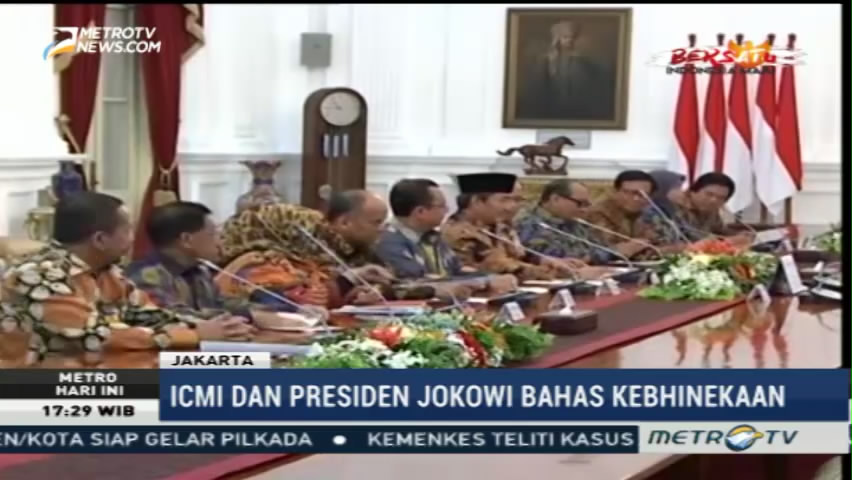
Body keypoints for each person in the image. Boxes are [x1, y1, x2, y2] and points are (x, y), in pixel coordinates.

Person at [0, 192, 253, 364]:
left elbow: (147, 314)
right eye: (128, 229)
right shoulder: (38, 275)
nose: (134, 238)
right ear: (100, 239)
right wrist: (195, 335)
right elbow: (98, 336)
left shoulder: (108, 271)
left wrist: (220, 328)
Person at [126, 202, 324, 329]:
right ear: (187, 240)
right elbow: (171, 317)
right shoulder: (145, 276)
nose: (220, 241)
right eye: (213, 234)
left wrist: (292, 310)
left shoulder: (200, 269)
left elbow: (223, 304)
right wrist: (253, 317)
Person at [217, 191, 395, 308]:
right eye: (377, 222)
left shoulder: (355, 248)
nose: (383, 229)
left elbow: (390, 280)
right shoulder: (256, 263)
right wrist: (348, 281)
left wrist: (372, 291)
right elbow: (299, 301)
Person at [373, 179, 516, 295]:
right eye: (441, 206)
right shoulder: (388, 241)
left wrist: (491, 278)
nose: (447, 210)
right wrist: (484, 282)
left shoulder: (432, 237)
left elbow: (457, 270)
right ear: (420, 212)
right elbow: (417, 282)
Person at [441, 173, 572, 281]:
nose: (511, 207)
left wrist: (544, 261)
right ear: (476, 201)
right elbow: (486, 269)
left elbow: (520, 256)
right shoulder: (457, 232)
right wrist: (537, 271)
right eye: (504, 200)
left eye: (517, 200)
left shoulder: (501, 226)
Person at [519, 20, 615, 121]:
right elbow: (537, 86)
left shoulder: (581, 60)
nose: (570, 40)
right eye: (565, 37)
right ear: (557, 39)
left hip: (576, 106)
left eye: (572, 38)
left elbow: (589, 84)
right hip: (551, 105)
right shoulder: (546, 60)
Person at [515, 179, 613, 264]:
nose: (584, 209)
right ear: (555, 199)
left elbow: (606, 250)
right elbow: (551, 256)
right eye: (580, 203)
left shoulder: (574, 221)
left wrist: (589, 258)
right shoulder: (528, 222)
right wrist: (587, 257)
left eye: (586, 204)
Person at [641, 172, 753, 245]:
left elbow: (718, 230)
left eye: (721, 198)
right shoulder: (666, 210)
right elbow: (679, 243)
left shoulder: (710, 210)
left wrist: (739, 235)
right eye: (709, 194)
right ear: (693, 192)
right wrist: (725, 242)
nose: (713, 200)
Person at [585, 170, 659, 258]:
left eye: (643, 194)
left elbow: (664, 242)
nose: (636, 198)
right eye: (629, 193)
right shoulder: (597, 213)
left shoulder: (650, 213)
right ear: (615, 192)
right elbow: (602, 248)